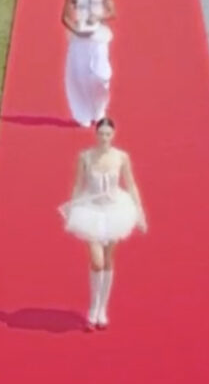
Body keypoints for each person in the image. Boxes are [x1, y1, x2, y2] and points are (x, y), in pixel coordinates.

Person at [62, 116, 148, 329]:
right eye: (101, 133)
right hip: (90, 211)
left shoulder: (122, 157)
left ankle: (102, 308)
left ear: (113, 135)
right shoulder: (85, 157)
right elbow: (77, 184)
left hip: (115, 210)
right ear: (96, 134)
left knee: (108, 260)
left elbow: (131, 184)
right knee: (97, 262)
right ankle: (92, 307)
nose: (104, 138)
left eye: (108, 134)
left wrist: (140, 213)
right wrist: (72, 208)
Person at [62, 0, 117, 126]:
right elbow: (64, 17)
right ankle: (84, 113)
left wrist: (99, 17)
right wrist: (75, 30)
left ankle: (100, 109)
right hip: (80, 39)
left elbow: (112, 12)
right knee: (80, 76)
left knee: (102, 75)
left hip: (99, 37)